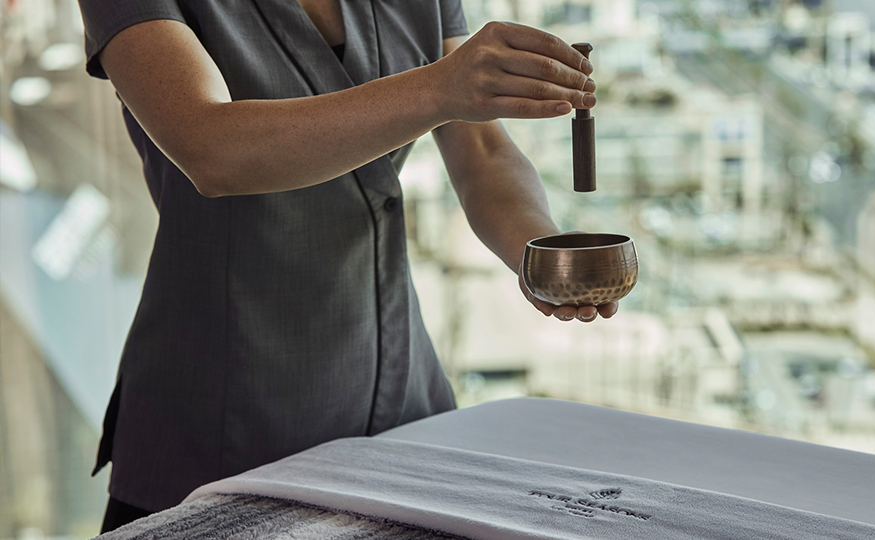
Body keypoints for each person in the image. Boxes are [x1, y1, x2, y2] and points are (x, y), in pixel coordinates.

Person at [77, 0, 618, 531]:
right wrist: (438, 87)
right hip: (225, 416)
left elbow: (480, 148)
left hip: (404, 402)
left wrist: (543, 253)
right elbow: (210, 147)